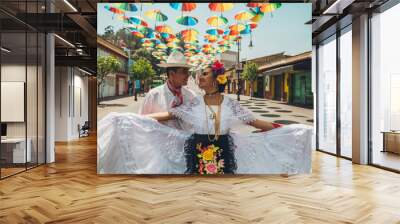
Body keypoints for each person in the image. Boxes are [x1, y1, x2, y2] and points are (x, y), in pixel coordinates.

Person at [98, 60, 312, 175]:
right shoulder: (193, 102)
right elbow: (167, 115)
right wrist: (127, 118)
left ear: (217, 80)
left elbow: (254, 122)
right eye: (197, 74)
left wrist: (283, 127)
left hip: (225, 151)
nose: (198, 76)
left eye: (204, 74)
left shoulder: (230, 103)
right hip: (197, 152)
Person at [138, 51, 196, 129]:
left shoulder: (191, 96)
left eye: (187, 72)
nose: (188, 75)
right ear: (172, 74)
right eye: (184, 72)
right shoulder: (154, 95)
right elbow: (140, 121)